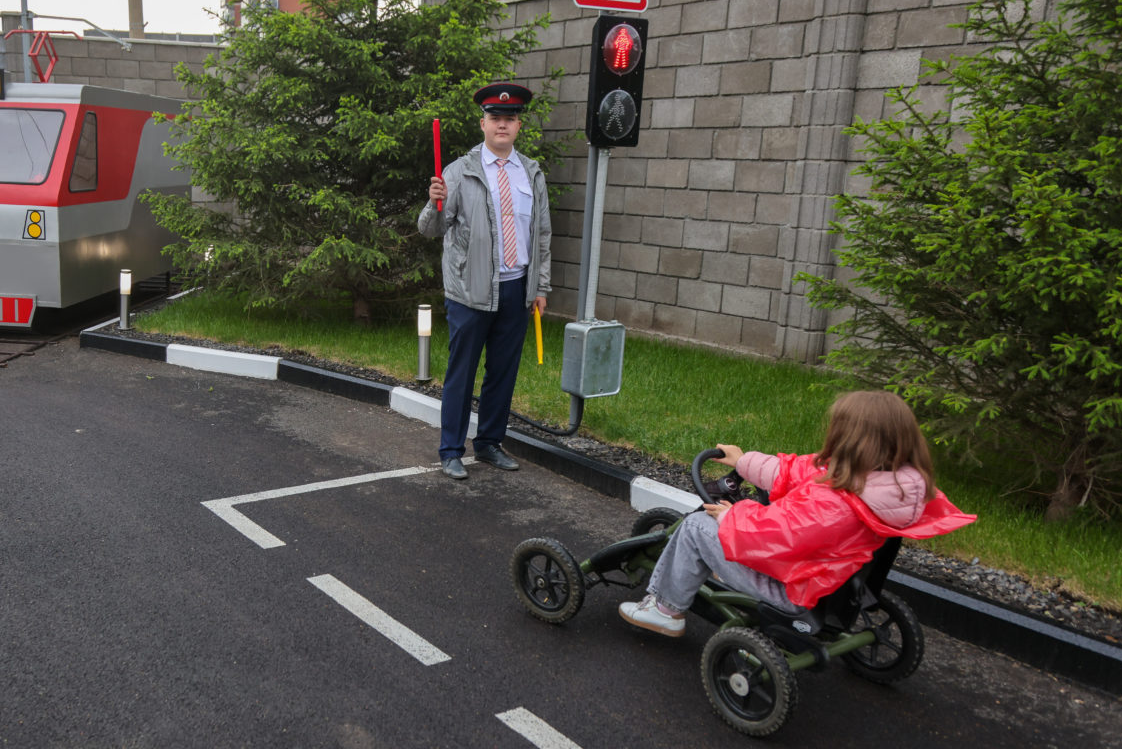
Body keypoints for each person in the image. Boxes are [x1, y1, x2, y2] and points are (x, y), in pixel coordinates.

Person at [620, 390, 976, 637]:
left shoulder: (835, 505)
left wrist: (732, 516)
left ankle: (665, 609)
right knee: (750, 509)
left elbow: (772, 536)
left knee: (698, 526)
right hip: (832, 580)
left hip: (791, 590)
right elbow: (799, 472)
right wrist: (744, 462)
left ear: (849, 441)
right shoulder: (887, 485)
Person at [418, 82, 552, 481]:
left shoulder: (531, 173)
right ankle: (451, 450)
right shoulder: (459, 172)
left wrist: (540, 287)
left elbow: (541, 234)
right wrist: (434, 200)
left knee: (503, 371)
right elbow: (431, 229)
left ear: (518, 126)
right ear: (483, 123)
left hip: (516, 288)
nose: (502, 125)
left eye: (510, 119)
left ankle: (490, 442)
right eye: (495, 118)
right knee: (463, 371)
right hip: (470, 290)